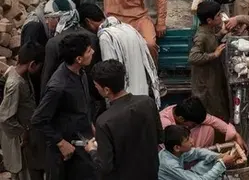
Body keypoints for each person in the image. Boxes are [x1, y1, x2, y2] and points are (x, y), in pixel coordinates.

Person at [31, 33, 97, 180]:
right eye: (88, 51)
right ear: (78, 59)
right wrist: (60, 143)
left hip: (83, 143)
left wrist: (90, 123)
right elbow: (38, 119)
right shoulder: (58, 87)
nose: (93, 52)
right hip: (66, 152)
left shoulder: (81, 72)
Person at [85, 60, 162, 180]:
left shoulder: (104, 121)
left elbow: (105, 166)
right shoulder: (148, 102)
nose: (96, 89)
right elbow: (159, 138)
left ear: (106, 90)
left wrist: (92, 151)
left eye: (96, 86)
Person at [0, 43, 45, 180]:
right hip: (18, 139)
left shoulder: (21, 75)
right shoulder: (16, 84)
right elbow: (5, 117)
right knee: (21, 173)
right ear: (32, 65)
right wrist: (23, 133)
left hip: (26, 135)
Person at [95, 11, 159, 104]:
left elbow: (109, 70)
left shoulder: (106, 37)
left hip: (123, 96)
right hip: (141, 89)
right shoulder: (130, 29)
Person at [188, 2, 229, 122]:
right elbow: (193, 57)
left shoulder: (209, 30)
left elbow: (211, 41)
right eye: (218, 16)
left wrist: (220, 34)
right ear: (209, 20)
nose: (221, 17)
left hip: (212, 78)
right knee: (211, 115)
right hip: (205, 85)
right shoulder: (201, 36)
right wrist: (214, 55)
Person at [159, 96, 244, 150]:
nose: (193, 126)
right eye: (192, 125)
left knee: (208, 129)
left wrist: (236, 135)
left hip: (184, 145)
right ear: (181, 119)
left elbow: (212, 120)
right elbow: (170, 152)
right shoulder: (165, 125)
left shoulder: (184, 111)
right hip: (172, 154)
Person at [158, 125, 235, 180]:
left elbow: (197, 152)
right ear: (177, 147)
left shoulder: (175, 151)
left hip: (183, 175)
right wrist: (222, 163)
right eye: (187, 140)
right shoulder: (170, 165)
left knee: (209, 162)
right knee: (215, 168)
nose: (192, 141)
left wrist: (218, 156)